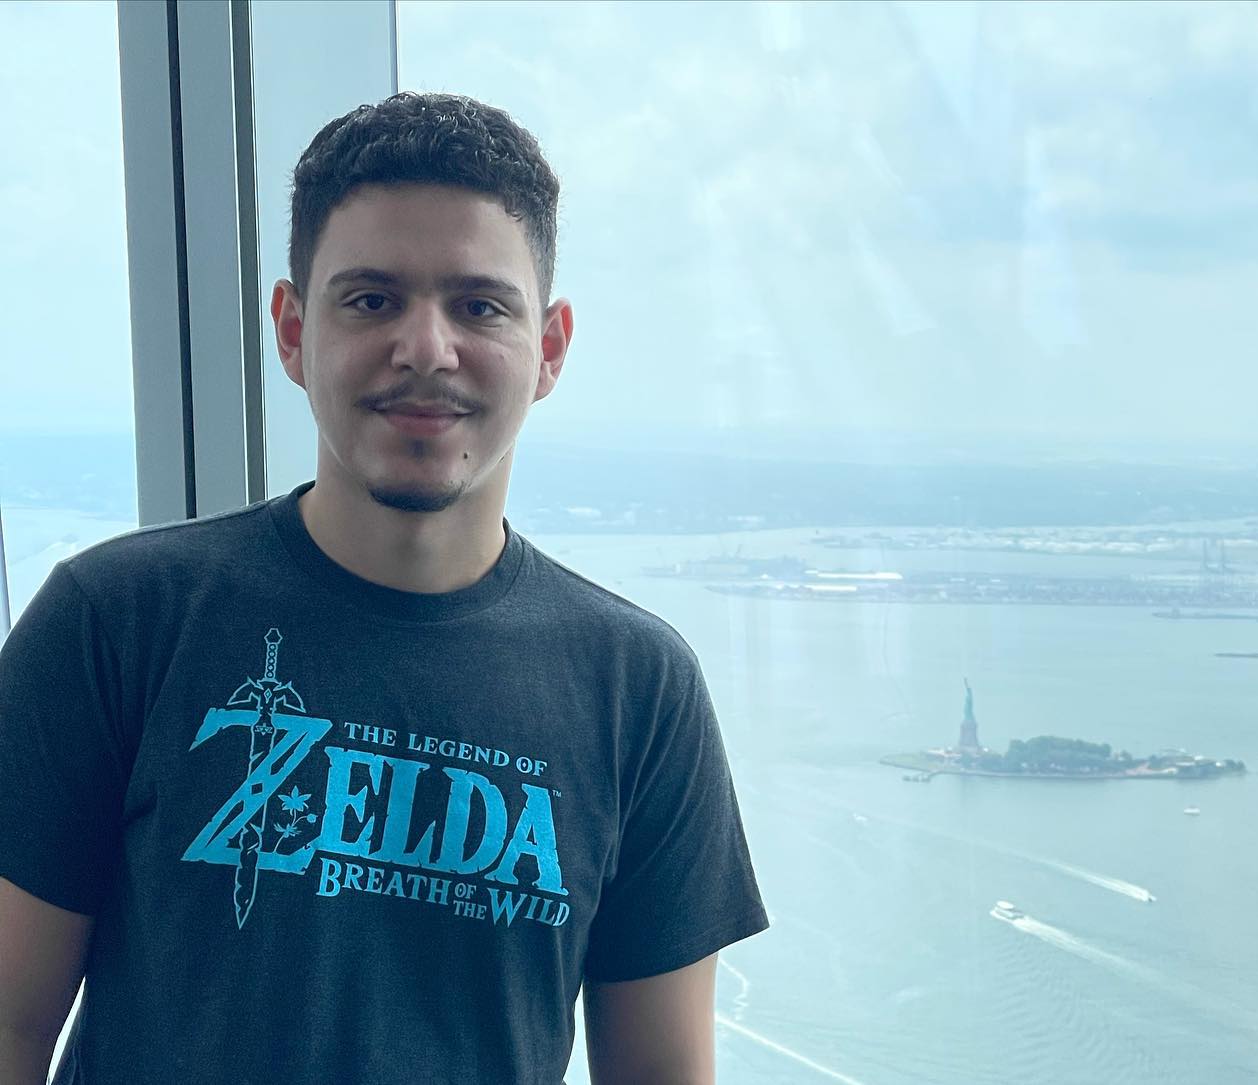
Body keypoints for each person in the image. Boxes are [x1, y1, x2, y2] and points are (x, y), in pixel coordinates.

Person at [0, 91, 768, 1084]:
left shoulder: (636, 686)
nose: (425, 348)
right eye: (371, 298)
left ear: (550, 348)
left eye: (479, 305)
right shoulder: (119, 621)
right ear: (291, 329)